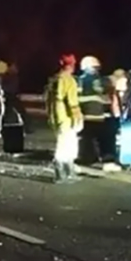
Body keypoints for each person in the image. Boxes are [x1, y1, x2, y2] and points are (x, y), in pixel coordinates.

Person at [45, 54, 83, 183]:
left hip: (55, 117)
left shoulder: (53, 80)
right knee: (68, 146)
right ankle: (63, 173)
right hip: (66, 118)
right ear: (72, 65)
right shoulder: (69, 80)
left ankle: (65, 172)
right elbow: (72, 102)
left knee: (63, 143)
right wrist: (77, 117)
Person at [76, 55, 109, 165]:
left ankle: (87, 157)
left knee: (86, 138)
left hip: (87, 113)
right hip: (100, 114)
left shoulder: (81, 80)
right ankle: (102, 157)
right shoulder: (102, 80)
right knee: (100, 138)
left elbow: (77, 96)